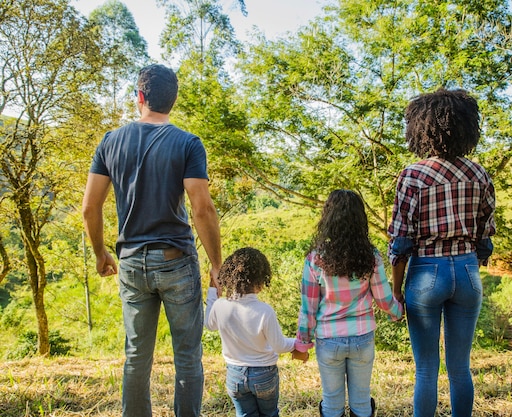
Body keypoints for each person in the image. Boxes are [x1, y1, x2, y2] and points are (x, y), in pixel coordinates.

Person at [82, 63, 222, 417]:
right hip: (176, 258)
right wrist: (218, 265)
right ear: (171, 102)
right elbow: (202, 209)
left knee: (135, 355)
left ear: (140, 97)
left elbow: (89, 208)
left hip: (130, 261)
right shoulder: (187, 143)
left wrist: (101, 254)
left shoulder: (110, 142)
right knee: (187, 355)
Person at [387, 88, 496, 417]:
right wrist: (465, 263)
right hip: (466, 271)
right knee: (461, 368)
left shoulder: (413, 175)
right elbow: (485, 234)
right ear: (466, 127)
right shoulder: (479, 174)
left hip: (425, 272)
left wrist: (395, 289)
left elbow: (401, 241)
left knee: (426, 371)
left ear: (421, 129)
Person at [297, 189, 404, 417]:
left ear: (328, 218)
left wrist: (303, 343)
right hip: (362, 337)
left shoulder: (315, 259)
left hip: (328, 340)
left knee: (332, 403)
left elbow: (309, 308)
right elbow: (384, 299)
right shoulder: (371, 256)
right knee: (362, 401)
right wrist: (398, 312)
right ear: (360, 219)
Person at [204, 247, 311, 417]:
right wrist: (298, 344)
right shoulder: (264, 311)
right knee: (269, 414)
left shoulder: (220, 305)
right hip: (264, 375)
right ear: (261, 283)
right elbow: (279, 345)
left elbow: (209, 325)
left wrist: (212, 289)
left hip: (235, 375)